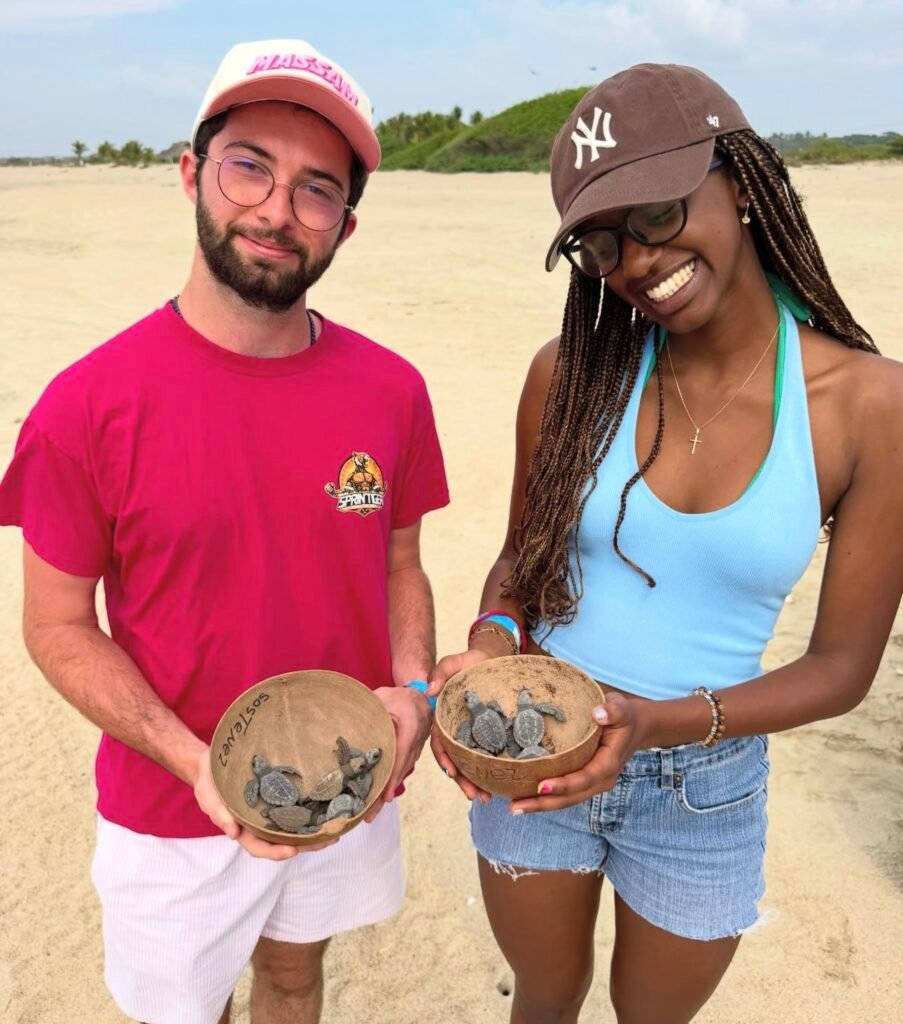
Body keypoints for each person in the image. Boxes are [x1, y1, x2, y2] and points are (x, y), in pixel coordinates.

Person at [429, 63, 903, 1024]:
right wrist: (488, 645)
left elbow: (842, 668)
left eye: (654, 213)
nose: (635, 261)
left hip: (706, 782)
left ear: (738, 178)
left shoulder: (869, 405)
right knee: (546, 998)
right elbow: (521, 562)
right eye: (600, 244)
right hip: (543, 750)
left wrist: (649, 725)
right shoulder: (568, 374)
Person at [0, 38, 448, 1024]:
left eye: (316, 188)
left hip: (345, 775)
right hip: (170, 806)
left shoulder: (391, 390)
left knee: (294, 977)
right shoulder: (86, 406)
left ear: (347, 223)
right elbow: (57, 625)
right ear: (193, 172)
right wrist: (188, 757)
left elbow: (401, 562)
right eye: (251, 164)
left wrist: (413, 692)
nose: (278, 210)